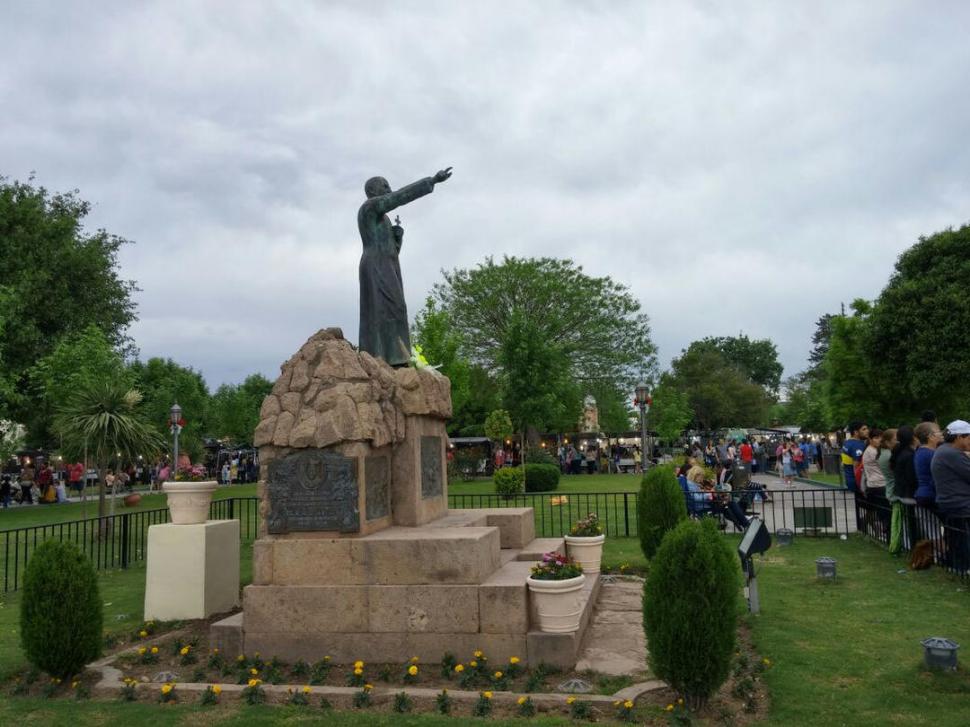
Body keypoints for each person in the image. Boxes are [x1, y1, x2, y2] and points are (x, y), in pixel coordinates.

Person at [931, 420, 970, 572]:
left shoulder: (945, 450)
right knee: (961, 541)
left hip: (953, 503)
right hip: (960, 504)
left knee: (957, 539)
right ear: (959, 437)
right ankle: (962, 567)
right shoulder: (951, 453)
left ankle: (957, 566)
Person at [877, 429, 902, 554]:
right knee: (897, 524)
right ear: (887, 442)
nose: (898, 442)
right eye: (896, 440)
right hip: (894, 492)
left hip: (891, 490)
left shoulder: (886, 453)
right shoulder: (888, 456)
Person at [913, 421, 943, 508]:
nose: (941, 434)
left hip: (923, 494)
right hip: (931, 496)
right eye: (939, 431)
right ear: (930, 436)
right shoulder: (931, 454)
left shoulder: (920, 451)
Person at [841, 422, 869, 492]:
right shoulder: (857, 445)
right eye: (864, 429)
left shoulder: (847, 442)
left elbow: (843, 463)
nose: (867, 431)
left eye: (867, 428)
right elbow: (856, 467)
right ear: (856, 432)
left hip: (849, 479)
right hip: (858, 482)